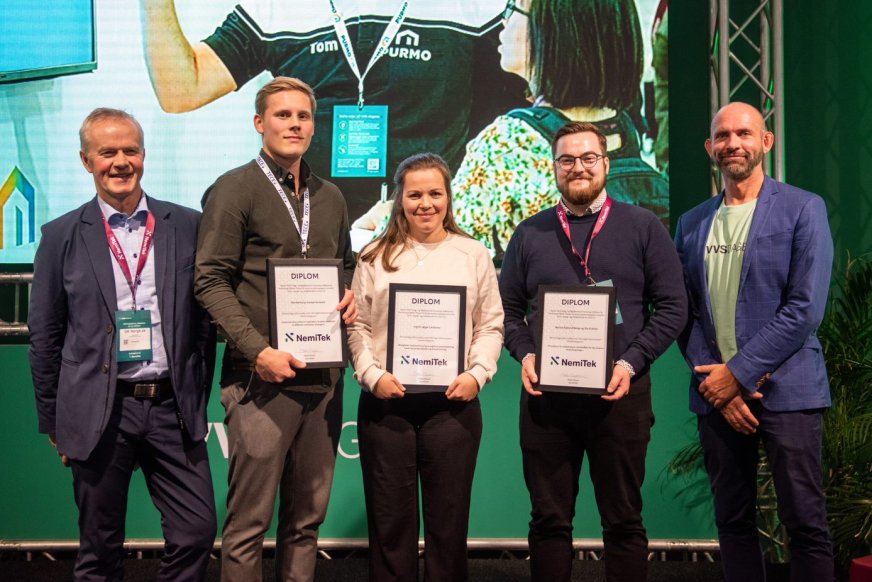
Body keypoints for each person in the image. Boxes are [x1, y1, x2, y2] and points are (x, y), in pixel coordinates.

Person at [28, 108, 217, 581]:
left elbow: (203, 326)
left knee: (196, 533)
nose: (120, 162)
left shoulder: (188, 225)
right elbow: (45, 336)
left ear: (144, 156)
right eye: (107, 152)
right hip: (100, 411)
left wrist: (195, 394)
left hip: (172, 409)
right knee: (99, 549)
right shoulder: (60, 236)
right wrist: (54, 418)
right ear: (86, 160)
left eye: (130, 150)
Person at [499, 121, 686, 582]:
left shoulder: (643, 226)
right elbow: (506, 310)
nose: (577, 167)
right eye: (567, 159)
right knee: (548, 522)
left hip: (620, 397)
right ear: (554, 167)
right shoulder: (530, 232)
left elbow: (673, 307)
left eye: (588, 158)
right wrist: (525, 354)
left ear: (605, 163)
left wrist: (631, 362)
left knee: (623, 521)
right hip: (547, 401)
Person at [138, 0, 525, 220]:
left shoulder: (477, 7)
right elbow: (181, 90)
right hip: (311, 235)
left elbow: (532, 102)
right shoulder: (275, 7)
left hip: (427, 229)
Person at [194, 76, 356, 582]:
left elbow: (347, 264)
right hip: (260, 380)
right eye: (283, 115)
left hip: (323, 381)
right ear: (259, 123)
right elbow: (209, 280)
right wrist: (258, 351)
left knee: (306, 523)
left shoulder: (330, 196)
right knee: (248, 525)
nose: (294, 124)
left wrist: (349, 291)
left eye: (303, 116)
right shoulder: (234, 188)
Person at [674, 102, 835, 582]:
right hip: (718, 398)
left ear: (766, 142)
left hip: (789, 393)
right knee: (732, 522)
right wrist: (719, 387)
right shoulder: (691, 223)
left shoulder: (803, 207)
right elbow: (684, 313)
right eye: (723, 136)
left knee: (805, 523)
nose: (733, 144)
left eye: (744, 133)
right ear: (710, 147)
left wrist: (737, 375)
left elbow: (804, 308)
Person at [348, 153, 504, 581]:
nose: (425, 204)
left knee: (448, 529)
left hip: (453, 406)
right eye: (415, 195)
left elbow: (490, 325)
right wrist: (371, 375)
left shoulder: (473, 254)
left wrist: (476, 374)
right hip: (385, 404)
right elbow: (358, 326)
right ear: (399, 199)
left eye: (435, 193)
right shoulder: (374, 255)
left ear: (448, 197)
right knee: (389, 528)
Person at [453, 0, 669, 257]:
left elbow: (451, 255)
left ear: (552, 30)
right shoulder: (623, 132)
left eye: (513, 7)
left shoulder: (508, 142)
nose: (504, 20)